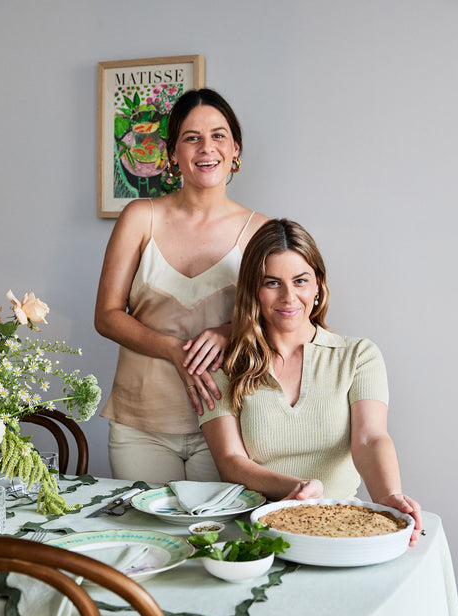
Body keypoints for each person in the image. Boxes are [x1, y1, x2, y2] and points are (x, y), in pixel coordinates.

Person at [198, 218, 422, 545]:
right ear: (253, 291)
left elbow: (370, 439)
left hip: (341, 526)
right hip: (256, 529)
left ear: (318, 284)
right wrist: (296, 489)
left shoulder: (359, 356)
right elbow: (230, 463)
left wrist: (389, 495)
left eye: (300, 281)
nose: (289, 297)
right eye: (272, 283)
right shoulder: (226, 363)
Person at [95, 88, 268, 483]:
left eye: (218, 135)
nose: (206, 148)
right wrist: (173, 350)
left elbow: (279, 319)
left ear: (235, 148)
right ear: (173, 153)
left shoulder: (260, 230)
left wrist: (229, 332)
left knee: (217, 543)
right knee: (147, 542)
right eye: (192, 138)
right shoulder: (140, 217)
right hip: (141, 423)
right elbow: (106, 316)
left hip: (228, 423)